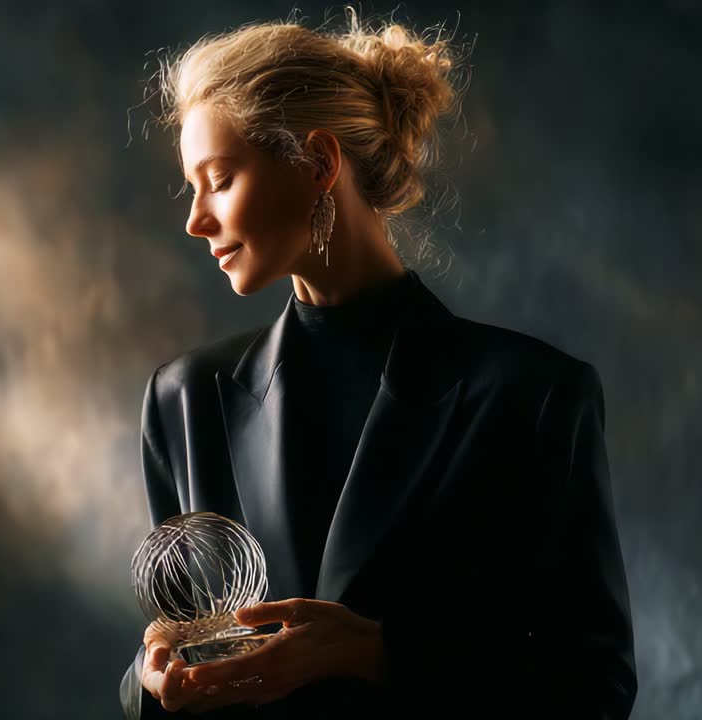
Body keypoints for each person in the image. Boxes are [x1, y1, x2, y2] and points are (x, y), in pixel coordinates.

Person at [120, 9, 637, 719]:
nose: (195, 220)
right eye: (192, 187)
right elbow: (184, 649)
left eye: (220, 179)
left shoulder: (534, 397)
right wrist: (150, 679)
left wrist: (375, 653)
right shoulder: (184, 400)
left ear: (319, 164)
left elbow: (593, 688)